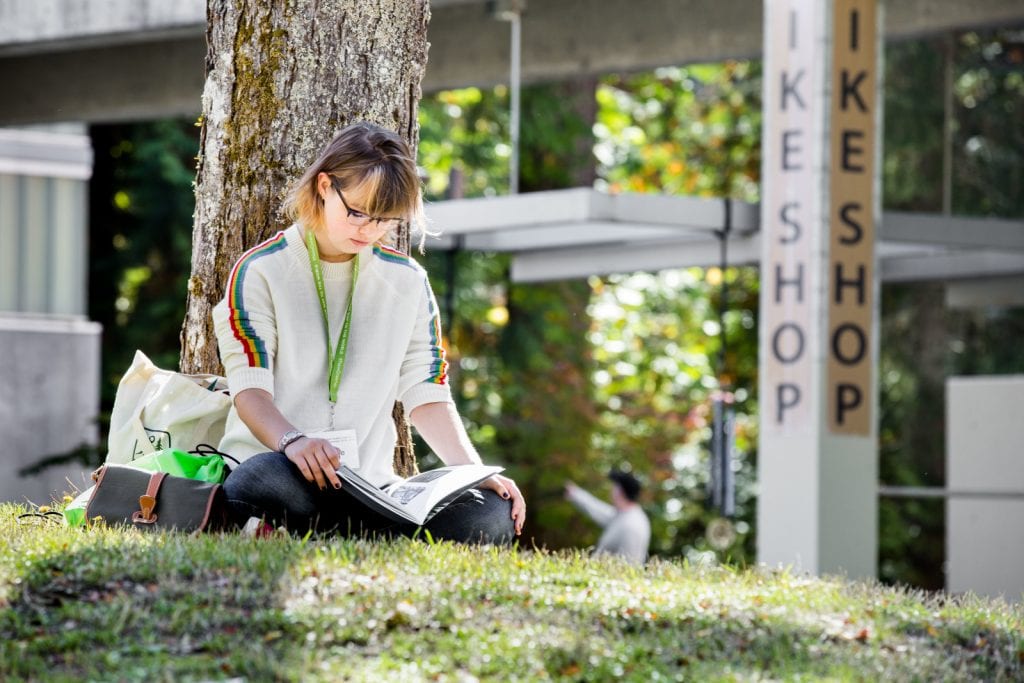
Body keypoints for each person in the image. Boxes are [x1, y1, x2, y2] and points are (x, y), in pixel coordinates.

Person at [215, 121, 525, 544]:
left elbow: (426, 391)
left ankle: (355, 532)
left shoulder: (408, 280)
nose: (368, 230)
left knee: (490, 513)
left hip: (373, 488)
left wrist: (475, 471)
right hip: (282, 465)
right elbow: (249, 391)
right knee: (263, 480)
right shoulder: (261, 270)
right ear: (325, 186)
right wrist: (293, 442)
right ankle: (361, 535)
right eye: (357, 212)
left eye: (384, 220)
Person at [565, 469, 650, 564]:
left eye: (614, 487)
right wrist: (576, 493)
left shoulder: (632, 524)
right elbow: (597, 509)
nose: (611, 490)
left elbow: (630, 564)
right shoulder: (622, 515)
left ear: (619, 491)